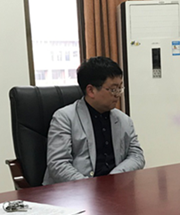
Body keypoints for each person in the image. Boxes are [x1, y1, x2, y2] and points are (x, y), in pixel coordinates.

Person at [43, 56, 145, 185]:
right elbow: (58, 163)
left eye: (120, 88)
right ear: (91, 90)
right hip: (74, 190)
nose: (118, 94)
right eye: (113, 89)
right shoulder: (64, 118)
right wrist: (89, 186)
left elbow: (137, 156)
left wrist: (114, 177)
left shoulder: (123, 120)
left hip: (114, 188)